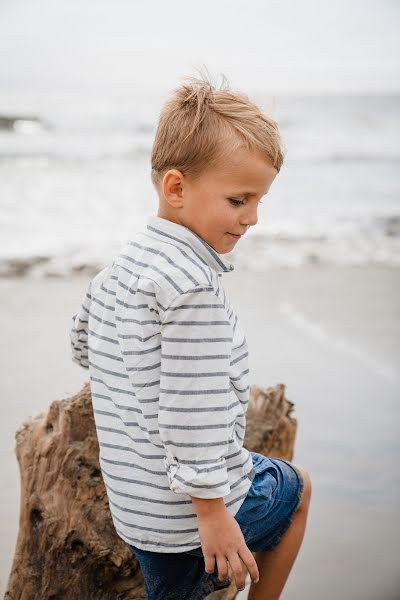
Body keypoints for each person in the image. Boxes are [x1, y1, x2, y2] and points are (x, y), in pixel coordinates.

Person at [70, 71, 312, 600]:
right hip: (188, 520)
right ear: (176, 187)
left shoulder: (119, 267)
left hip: (136, 511)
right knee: (296, 489)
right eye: (238, 200)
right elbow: (191, 412)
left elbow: (82, 345)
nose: (253, 219)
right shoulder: (192, 287)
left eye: (258, 201)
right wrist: (212, 514)